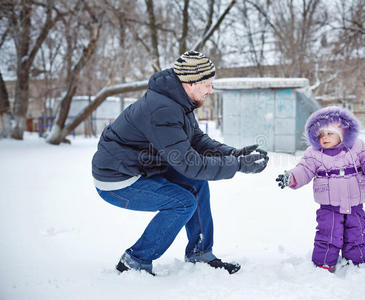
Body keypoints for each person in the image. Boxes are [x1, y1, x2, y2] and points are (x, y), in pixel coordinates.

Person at [92, 50, 269, 275]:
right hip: (118, 178)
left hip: (142, 166)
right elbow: (190, 164)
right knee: (182, 202)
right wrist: (238, 166)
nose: (210, 90)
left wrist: (234, 155)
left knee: (197, 185)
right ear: (190, 82)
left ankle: (200, 253)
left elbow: (197, 140)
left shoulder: (179, 101)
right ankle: (134, 261)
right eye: (207, 83)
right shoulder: (163, 110)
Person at [276, 106, 365, 272]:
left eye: (329, 133)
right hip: (329, 206)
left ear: (342, 132)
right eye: (320, 135)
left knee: (357, 233)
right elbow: (304, 169)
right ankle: (324, 263)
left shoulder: (357, 147)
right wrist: (291, 177)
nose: (324, 138)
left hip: (355, 203)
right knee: (327, 234)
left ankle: (358, 263)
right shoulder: (314, 154)